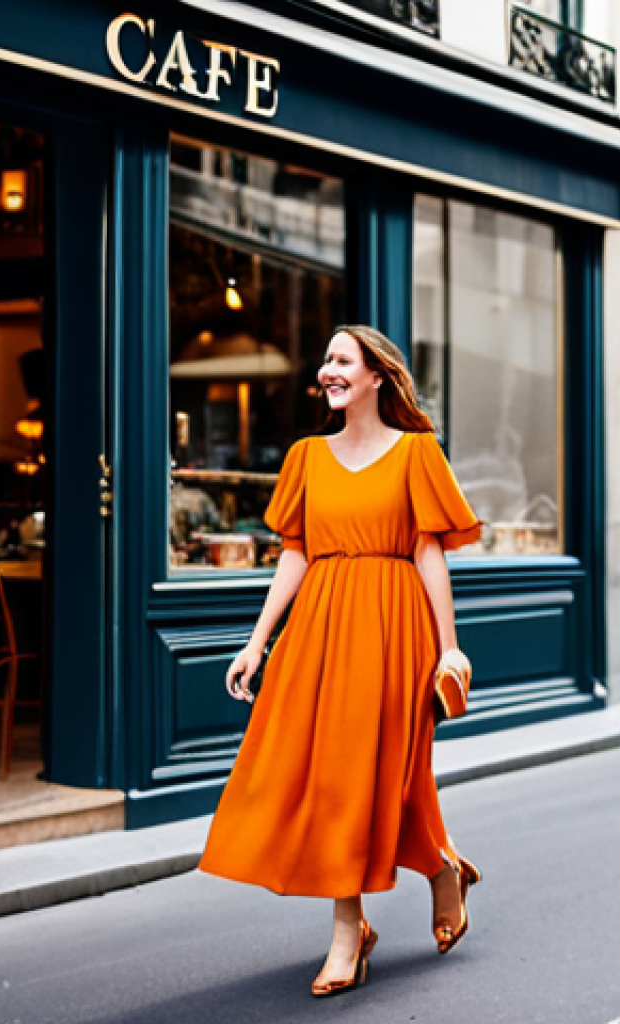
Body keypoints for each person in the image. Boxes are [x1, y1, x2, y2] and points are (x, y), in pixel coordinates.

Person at [199, 325, 482, 997]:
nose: (327, 370)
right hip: (320, 626)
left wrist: (449, 645)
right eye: (325, 360)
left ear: (376, 377)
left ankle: (349, 932)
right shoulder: (305, 456)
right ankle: (441, 871)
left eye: (341, 360)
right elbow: (294, 554)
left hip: (393, 626)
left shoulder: (416, 453)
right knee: (331, 775)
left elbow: (428, 553)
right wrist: (257, 641)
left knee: (369, 776)